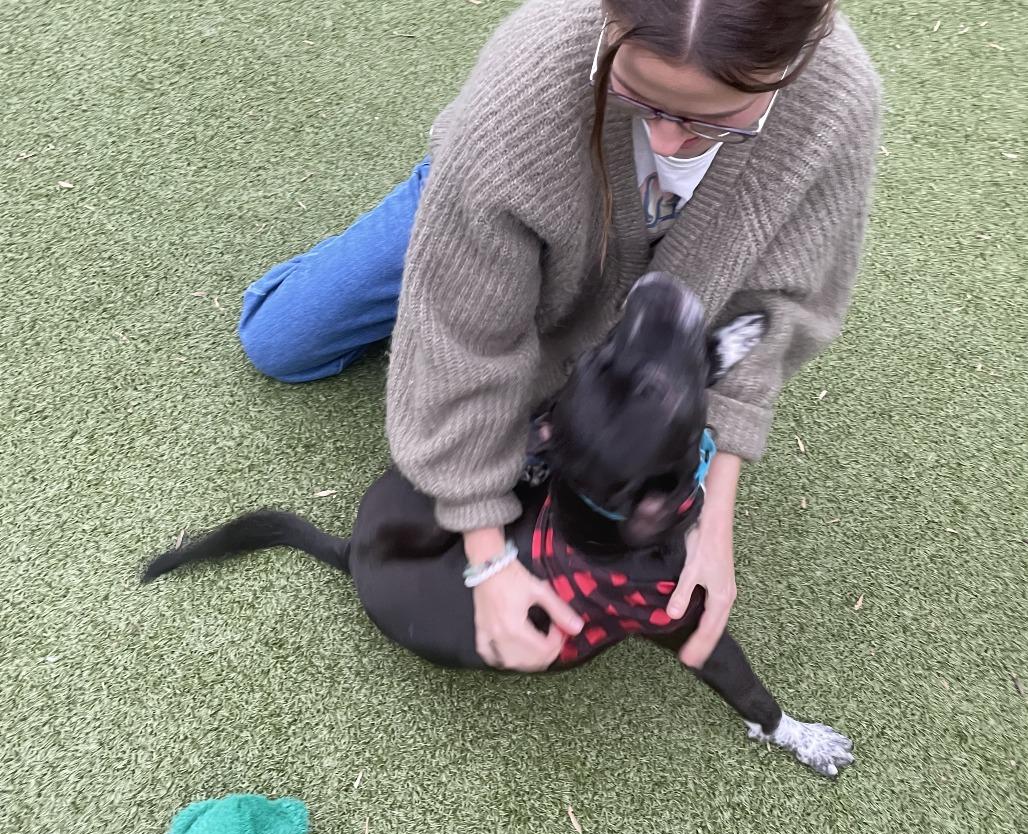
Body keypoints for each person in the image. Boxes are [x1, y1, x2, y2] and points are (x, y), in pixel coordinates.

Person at [237, 0, 880, 674]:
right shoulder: (524, 88)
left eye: (712, 121)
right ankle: (449, 202)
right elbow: (464, 337)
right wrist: (486, 555)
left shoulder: (836, 101)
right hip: (512, 196)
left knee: (570, 400)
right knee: (280, 340)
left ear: (789, 67)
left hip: (671, 278)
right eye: (639, 99)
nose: (667, 141)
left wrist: (713, 513)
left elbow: (772, 308)